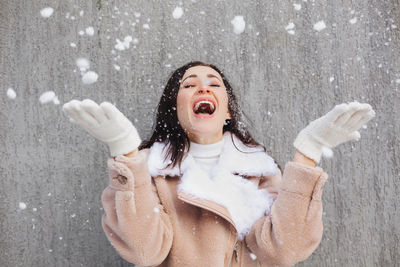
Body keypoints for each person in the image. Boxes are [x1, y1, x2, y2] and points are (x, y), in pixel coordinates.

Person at [62, 61, 375, 267]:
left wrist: (308, 152)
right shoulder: (148, 172)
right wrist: (125, 151)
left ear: (227, 111)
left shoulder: (260, 170)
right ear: (175, 109)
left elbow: (284, 250)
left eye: (214, 83)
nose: (203, 87)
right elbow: (145, 251)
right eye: (188, 85)